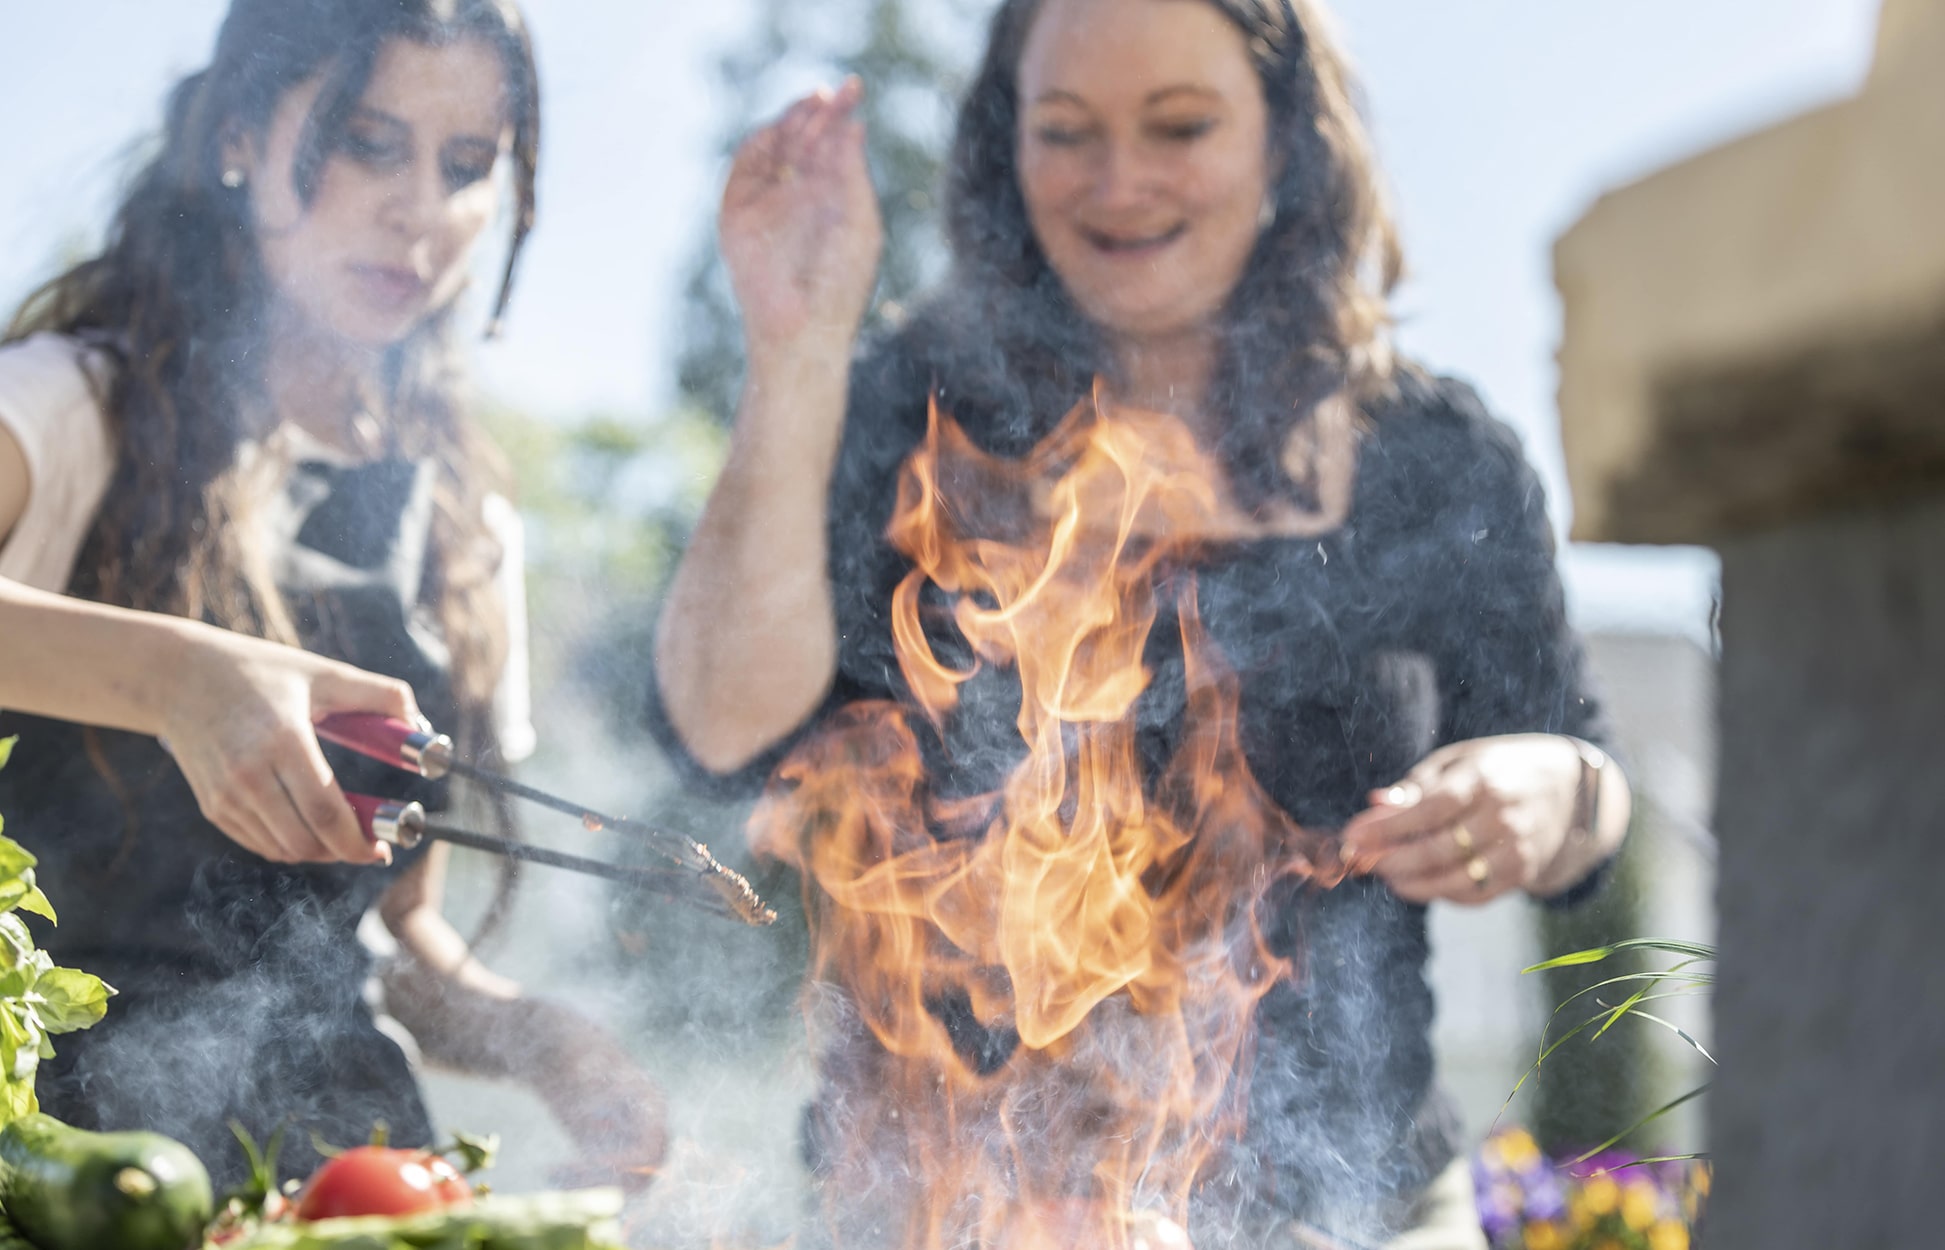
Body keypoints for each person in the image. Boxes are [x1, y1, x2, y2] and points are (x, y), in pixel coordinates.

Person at [651, 0, 1633, 1246]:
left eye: (1179, 126)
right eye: (1067, 131)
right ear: (1008, 147)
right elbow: (716, 728)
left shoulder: (1434, 452)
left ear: (1285, 142)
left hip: (1352, 1209)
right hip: (937, 1206)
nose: (1119, 183)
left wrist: (1543, 787)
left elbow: (1587, 785)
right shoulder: (907, 404)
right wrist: (794, 353)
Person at [0, 0, 665, 1192]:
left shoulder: (468, 522)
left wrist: (538, 1038)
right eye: (369, 142)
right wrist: (180, 678)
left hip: (345, 1178)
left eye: (467, 165)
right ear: (241, 134)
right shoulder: (68, 409)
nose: (421, 209)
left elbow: (394, 929)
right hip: (62, 1169)